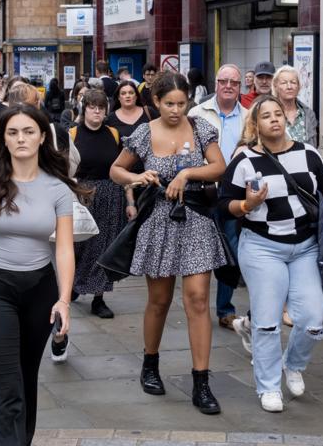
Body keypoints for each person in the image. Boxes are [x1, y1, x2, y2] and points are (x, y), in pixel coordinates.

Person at [0, 104, 86, 446]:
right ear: (3, 139)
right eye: (12, 132)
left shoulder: (58, 188)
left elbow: (65, 249)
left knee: (27, 377)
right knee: (9, 382)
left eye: (28, 131)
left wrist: (64, 300)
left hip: (39, 290)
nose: (20, 138)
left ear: (43, 137)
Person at [109, 71, 228, 415]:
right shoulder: (145, 133)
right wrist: (137, 176)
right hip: (158, 221)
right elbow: (117, 170)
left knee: (198, 300)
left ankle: (201, 382)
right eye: (169, 103)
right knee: (159, 301)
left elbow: (220, 166)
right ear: (156, 102)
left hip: (195, 219)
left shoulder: (201, 127)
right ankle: (150, 364)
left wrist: (187, 173)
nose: (176, 110)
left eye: (182, 102)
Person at [220, 94, 323, 412]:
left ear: (286, 120)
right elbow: (224, 205)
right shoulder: (244, 160)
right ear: (255, 125)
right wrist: (248, 205)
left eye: (278, 114)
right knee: (268, 322)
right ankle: (268, 386)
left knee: (313, 319)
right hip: (262, 247)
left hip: (305, 248)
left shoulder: (309, 154)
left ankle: (293, 364)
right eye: (265, 115)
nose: (274, 119)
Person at [60, 89, 127, 326]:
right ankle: (76, 283)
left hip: (110, 196)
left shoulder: (114, 134)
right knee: (79, 245)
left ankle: (98, 297)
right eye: (92, 107)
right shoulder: (73, 133)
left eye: (101, 107)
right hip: (82, 195)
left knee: (103, 248)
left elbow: (121, 167)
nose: (97, 111)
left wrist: (129, 200)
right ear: (84, 109)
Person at [188, 64, 248, 329]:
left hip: (234, 193)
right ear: (216, 83)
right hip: (203, 191)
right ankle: (196, 301)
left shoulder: (249, 117)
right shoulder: (197, 113)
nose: (228, 86)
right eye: (223, 81)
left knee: (230, 248)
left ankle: (225, 308)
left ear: (239, 87)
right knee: (201, 247)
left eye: (233, 82)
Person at [272, 66, 318, 146]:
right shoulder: (269, 113)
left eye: (293, 82)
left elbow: (313, 145)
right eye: (284, 83)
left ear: (298, 87)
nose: (289, 87)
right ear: (276, 87)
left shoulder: (308, 114)